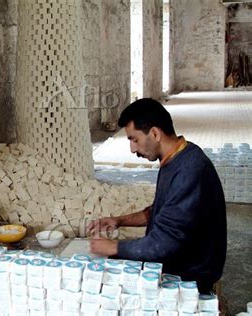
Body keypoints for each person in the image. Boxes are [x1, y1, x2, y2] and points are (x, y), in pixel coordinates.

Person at [88, 98, 227, 294]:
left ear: (155, 133)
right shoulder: (175, 157)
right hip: (178, 263)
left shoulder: (190, 169)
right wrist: (118, 220)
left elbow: (164, 242)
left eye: (134, 139)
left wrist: (113, 247)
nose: (132, 149)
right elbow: (161, 210)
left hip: (191, 274)